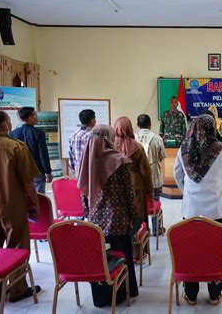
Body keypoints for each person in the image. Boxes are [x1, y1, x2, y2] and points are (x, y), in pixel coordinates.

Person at [174, 114, 222, 306]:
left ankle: (191, 294)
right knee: (216, 250)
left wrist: (188, 193)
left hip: (191, 210)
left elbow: (177, 175)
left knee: (191, 251)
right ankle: (214, 294)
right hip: (217, 212)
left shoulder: (184, 149)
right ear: (213, 128)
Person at [78, 125, 141, 306]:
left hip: (95, 220)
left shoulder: (87, 160)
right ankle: (123, 293)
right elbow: (129, 193)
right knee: (122, 254)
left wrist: (88, 215)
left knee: (100, 257)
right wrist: (135, 216)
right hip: (119, 219)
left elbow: (83, 193)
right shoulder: (118, 160)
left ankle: (102, 297)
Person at [0, 110, 41, 303]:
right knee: (17, 247)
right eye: (8, 122)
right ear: (3, 125)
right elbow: (28, 182)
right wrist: (35, 202)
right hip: (11, 205)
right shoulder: (15, 147)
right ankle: (17, 288)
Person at [114, 116, 154, 259]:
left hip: (118, 190)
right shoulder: (137, 147)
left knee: (123, 220)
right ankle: (140, 252)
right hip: (137, 187)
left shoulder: (112, 146)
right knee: (139, 219)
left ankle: (123, 253)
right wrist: (150, 190)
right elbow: (145, 172)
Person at [10, 107, 53, 193]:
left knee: (23, 198)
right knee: (39, 198)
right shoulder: (39, 133)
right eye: (35, 115)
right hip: (37, 171)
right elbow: (43, 154)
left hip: (20, 171)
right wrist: (48, 172)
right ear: (30, 118)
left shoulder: (13, 133)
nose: (37, 117)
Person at [135, 114, 166, 201]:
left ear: (138, 125)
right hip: (154, 177)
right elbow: (162, 156)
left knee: (140, 203)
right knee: (155, 202)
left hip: (139, 178)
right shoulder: (158, 139)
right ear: (150, 124)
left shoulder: (133, 139)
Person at [68, 109, 96, 174]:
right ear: (92, 120)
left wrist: (74, 170)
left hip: (77, 170)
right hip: (89, 171)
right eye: (95, 119)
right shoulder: (92, 136)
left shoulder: (73, 135)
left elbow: (70, 155)